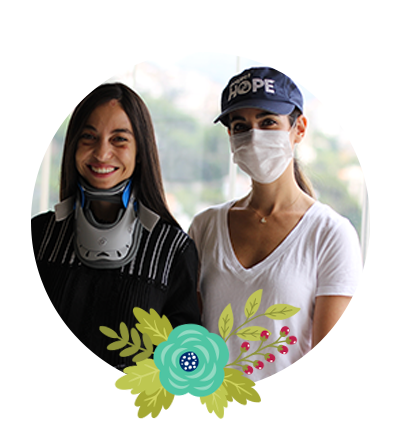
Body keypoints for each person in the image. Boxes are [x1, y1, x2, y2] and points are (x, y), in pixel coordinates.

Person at [189, 67, 364, 392]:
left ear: (299, 129)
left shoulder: (331, 234)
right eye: (240, 126)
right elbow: (192, 338)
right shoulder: (205, 227)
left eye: (268, 122)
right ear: (230, 137)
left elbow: (326, 369)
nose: (254, 137)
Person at [31, 83, 201, 392]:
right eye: (89, 137)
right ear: (73, 145)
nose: (101, 152)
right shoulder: (40, 236)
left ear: (141, 151)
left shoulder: (173, 250)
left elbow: (183, 369)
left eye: (119, 139)